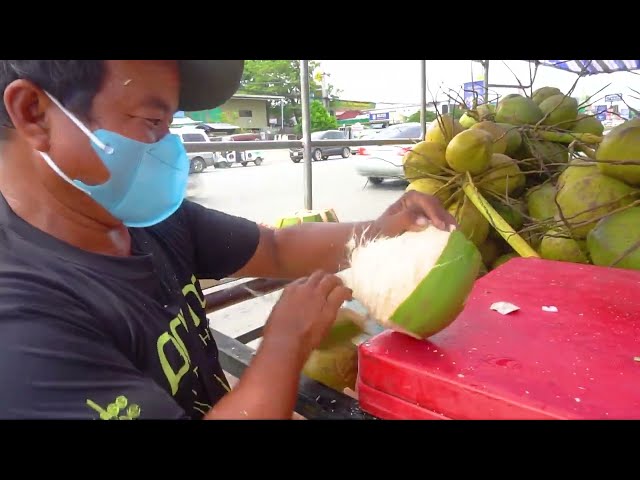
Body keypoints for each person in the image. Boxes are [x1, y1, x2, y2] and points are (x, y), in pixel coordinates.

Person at [0, 60, 455, 420]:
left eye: (171, 122)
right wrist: (283, 346)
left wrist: (380, 229)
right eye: (151, 120)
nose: (168, 147)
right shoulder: (23, 325)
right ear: (34, 114)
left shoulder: (140, 218)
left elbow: (275, 248)